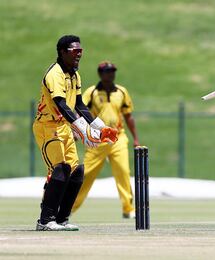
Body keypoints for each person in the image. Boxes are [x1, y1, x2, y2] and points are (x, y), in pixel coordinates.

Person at [33, 35, 118, 231]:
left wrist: (101, 127)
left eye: (81, 50)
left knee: (77, 172)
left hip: (63, 127)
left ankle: (61, 219)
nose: (79, 54)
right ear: (63, 52)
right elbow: (61, 105)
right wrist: (83, 129)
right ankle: (45, 221)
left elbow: (79, 105)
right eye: (74, 51)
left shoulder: (74, 74)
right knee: (60, 169)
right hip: (47, 127)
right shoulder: (54, 74)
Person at [72, 61, 140, 218]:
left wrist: (135, 138)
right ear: (100, 74)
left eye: (112, 71)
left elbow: (128, 116)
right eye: (107, 71)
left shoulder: (122, 92)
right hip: (97, 140)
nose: (110, 74)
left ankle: (128, 209)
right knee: (86, 174)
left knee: (123, 172)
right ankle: (69, 208)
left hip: (118, 137)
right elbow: (78, 110)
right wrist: (77, 130)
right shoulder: (92, 92)